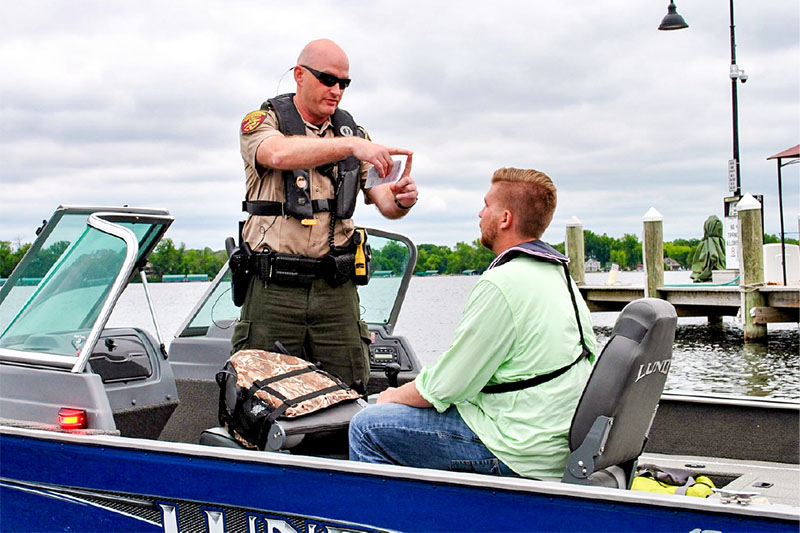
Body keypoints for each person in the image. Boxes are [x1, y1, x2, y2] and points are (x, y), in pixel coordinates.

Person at [349, 168, 597, 478]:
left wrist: (388, 397)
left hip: (516, 449)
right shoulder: (561, 276)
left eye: (486, 205)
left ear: (505, 218)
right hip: (552, 442)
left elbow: (445, 386)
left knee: (367, 426)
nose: (480, 214)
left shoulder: (502, 283)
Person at [232, 39, 418, 392]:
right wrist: (351, 147)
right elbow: (278, 155)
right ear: (299, 76)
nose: (337, 91)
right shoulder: (261, 123)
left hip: (336, 289)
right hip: (275, 289)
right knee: (261, 396)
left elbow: (387, 203)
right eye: (327, 79)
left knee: (350, 390)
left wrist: (403, 199)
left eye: (344, 83)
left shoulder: (355, 135)